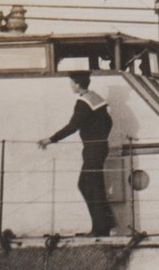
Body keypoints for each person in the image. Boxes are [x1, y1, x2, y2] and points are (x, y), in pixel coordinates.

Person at [38, 71, 115, 237]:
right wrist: (100, 137)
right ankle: (104, 224)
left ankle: (100, 228)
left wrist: (51, 139)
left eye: (71, 83)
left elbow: (72, 126)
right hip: (98, 147)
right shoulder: (96, 99)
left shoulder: (83, 103)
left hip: (92, 149)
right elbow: (109, 122)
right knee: (91, 185)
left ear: (77, 84)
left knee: (89, 185)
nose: (70, 86)